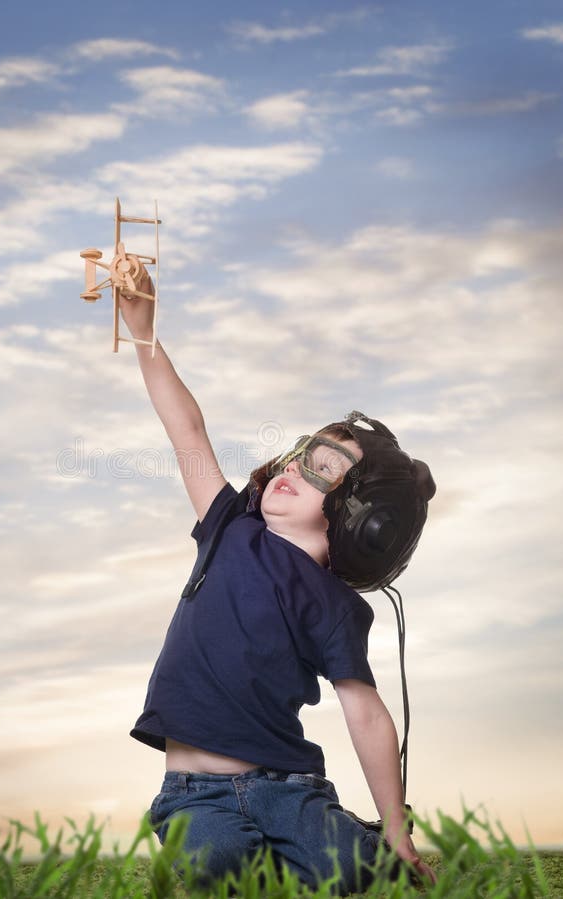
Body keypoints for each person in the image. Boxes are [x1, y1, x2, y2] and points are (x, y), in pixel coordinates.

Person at [119, 266, 437, 893]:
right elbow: (187, 428)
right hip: (195, 794)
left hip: (290, 789)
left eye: (322, 473)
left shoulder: (337, 608)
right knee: (214, 866)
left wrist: (397, 829)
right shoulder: (229, 525)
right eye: (300, 456)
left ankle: (361, 840)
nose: (293, 470)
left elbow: (367, 715)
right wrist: (145, 333)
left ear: (360, 522)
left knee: (354, 874)